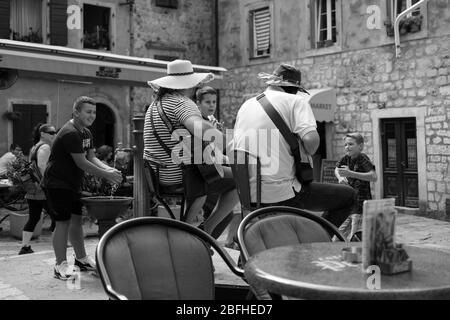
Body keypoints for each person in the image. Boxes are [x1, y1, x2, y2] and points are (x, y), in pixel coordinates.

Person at [232, 63, 356, 231]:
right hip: (281, 192)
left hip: (249, 193)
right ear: (294, 88)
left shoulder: (246, 105)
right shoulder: (296, 101)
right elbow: (312, 143)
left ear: (272, 83)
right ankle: (318, 239)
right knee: (349, 196)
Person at [144, 59, 239, 239]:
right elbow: (199, 128)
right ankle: (205, 231)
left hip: (159, 174)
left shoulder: (157, 104)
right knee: (239, 180)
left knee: (216, 174)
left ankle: (199, 231)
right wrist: (232, 143)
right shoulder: (182, 103)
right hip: (179, 174)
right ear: (191, 82)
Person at [42, 96, 122, 280]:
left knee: (77, 221)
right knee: (62, 223)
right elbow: (82, 163)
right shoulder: (70, 132)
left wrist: (109, 169)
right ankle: (60, 265)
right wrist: (107, 175)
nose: (92, 115)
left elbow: (92, 157)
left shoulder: (86, 132)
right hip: (57, 184)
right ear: (76, 112)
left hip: (72, 183)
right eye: (88, 111)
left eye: (94, 112)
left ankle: (81, 259)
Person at [195, 86, 240, 248]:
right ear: (198, 103)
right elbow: (209, 155)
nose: (212, 105)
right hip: (201, 172)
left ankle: (205, 242)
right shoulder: (196, 121)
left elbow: (217, 154)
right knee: (240, 181)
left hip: (209, 168)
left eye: (214, 101)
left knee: (227, 215)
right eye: (207, 102)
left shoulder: (209, 122)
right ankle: (205, 235)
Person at [18, 124, 57, 255]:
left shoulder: (34, 147)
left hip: (32, 189)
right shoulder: (45, 147)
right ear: (43, 134)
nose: (54, 134)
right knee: (56, 216)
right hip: (42, 188)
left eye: (54, 132)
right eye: (51, 132)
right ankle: (59, 244)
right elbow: (42, 166)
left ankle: (25, 247)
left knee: (33, 218)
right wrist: (49, 182)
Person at [335, 133, 377, 240]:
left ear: (360, 146)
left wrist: (351, 173)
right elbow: (336, 169)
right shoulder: (346, 158)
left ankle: (355, 254)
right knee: (337, 235)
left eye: (350, 144)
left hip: (360, 206)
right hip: (348, 205)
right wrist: (340, 177)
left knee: (355, 237)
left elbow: (373, 176)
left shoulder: (362, 158)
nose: (347, 147)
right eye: (345, 144)